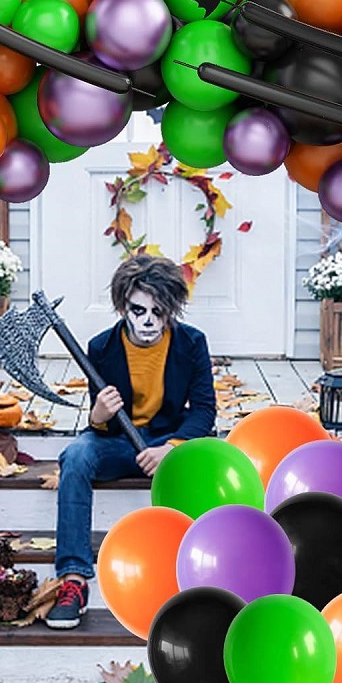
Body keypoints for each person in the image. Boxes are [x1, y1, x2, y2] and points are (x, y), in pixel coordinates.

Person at [47, 254, 216, 630]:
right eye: (139, 310)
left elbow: (204, 411)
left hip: (169, 441)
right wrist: (97, 415)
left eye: (159, 311)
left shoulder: (191, 343)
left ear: (172, 308)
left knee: (208, 461)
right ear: (124, 306)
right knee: (75, 456)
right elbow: (101, 428)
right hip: (119, 443)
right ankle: (73, 579)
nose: (149, 321)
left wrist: (172, 448)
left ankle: (200, 576)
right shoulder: (101, 348)